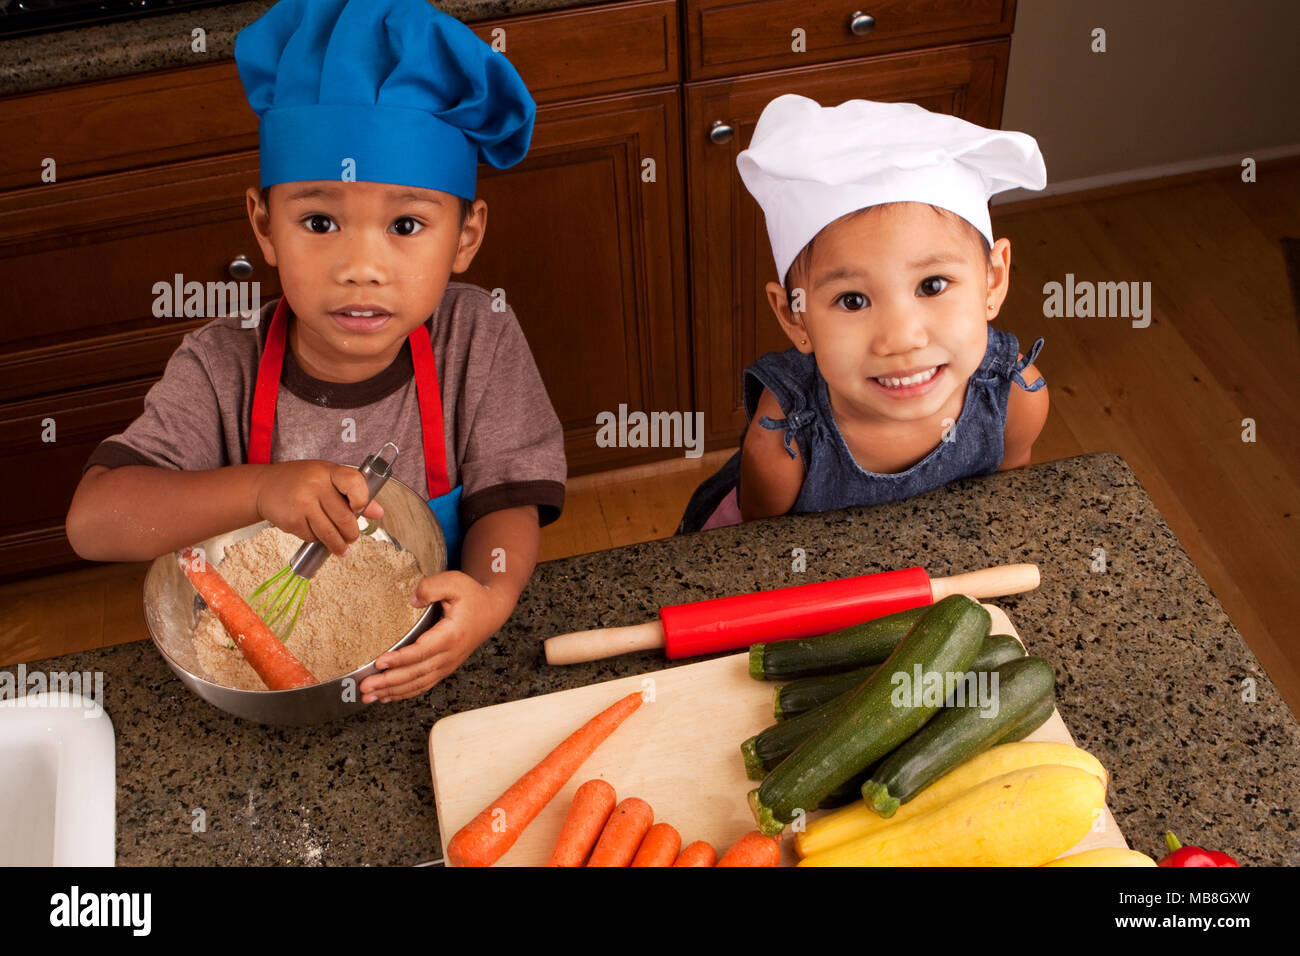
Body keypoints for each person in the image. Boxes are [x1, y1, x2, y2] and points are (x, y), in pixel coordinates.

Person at [64, 0, 566, 703]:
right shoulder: (220, 365)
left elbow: (505, 502)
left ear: (465, 237)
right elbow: (94, 523)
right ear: (264, 226)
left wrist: (490, 596)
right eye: (320, 221)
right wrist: (261, 488)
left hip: (426, 667)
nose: (361, 265)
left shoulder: (477, 336)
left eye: (406, 224)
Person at [678, 95, 1051, 533]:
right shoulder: (784, 442)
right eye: (853, 300)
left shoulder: (1016, 399)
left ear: (993, 281)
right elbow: (767, 559)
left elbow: (1002, 509)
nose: (900, 338)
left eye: (932, 285)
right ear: (794, 316)